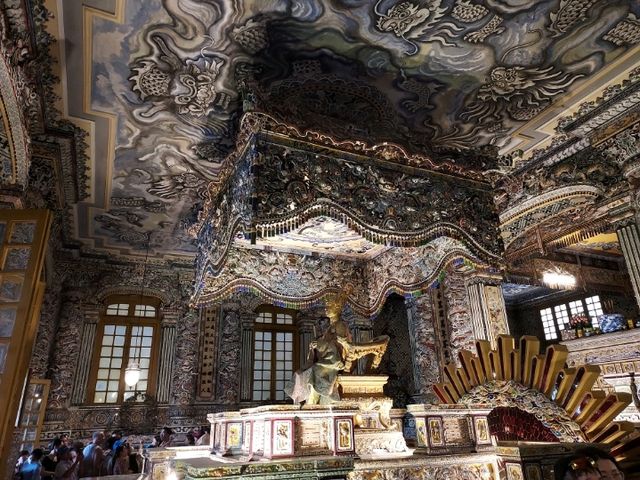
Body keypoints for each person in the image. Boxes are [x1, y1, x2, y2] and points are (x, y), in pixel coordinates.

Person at [285, 318, 350, 405]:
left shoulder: (335, 338)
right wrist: (313, 348)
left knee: (314, 371)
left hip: (331, 364)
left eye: (324, 327)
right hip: (321, 364)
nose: (322, 329)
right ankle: (302, 400)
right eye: (320, 327)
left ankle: (313, 401)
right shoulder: (318, 340)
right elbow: (311, 358)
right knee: (299, 373)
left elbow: (336, 352)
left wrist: (319, 345)